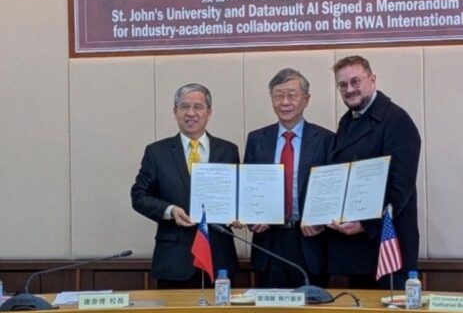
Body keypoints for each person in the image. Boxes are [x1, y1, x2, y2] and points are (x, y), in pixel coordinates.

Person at [131, 83, 239, 289]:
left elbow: (237, 194)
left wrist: (239, 214)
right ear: (175, 112)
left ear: (209, 112)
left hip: (218, 257)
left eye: (198, 107)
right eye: (184, 107)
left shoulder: (228, 150)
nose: (191, 113)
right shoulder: (157, 152)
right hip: (174, 259)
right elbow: (139, 196)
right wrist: (170, 211)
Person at [328, 55, 421, 289]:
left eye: (355, 81)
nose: (349, 89)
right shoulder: (347, 122)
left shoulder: (397, 121)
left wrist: (366, 224)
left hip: (387, 246)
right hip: (356, 250)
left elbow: (400, 187)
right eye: (342, 85)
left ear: (372, 79)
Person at [243, 68, 334, 288]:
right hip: (268, 242)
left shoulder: (326, 139)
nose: (284, 102)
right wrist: (251, 218)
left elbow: (333, 189)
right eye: (278, 95)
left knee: (311, 307)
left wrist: (321, 221)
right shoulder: (257, 139)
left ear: (306, 99)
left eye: (291, 95)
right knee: (270, 306)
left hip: (310, 241)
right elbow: (248, 188)